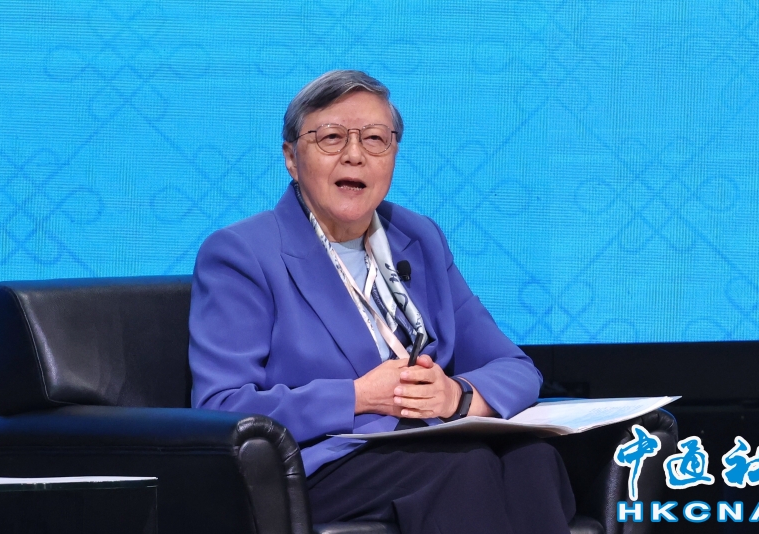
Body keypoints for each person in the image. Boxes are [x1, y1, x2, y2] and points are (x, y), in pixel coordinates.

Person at [189, 70, 575, 533]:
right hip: (323, 463)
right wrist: (357, 397)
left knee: (533, 458)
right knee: (463, 465)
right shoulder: (242, 253)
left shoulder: (418, 237)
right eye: (331, 137)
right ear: (291, 157)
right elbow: (221, 407)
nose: (354, 155)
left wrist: (456, 396)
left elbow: (515, 368)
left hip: (429, 445)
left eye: (374, 139)